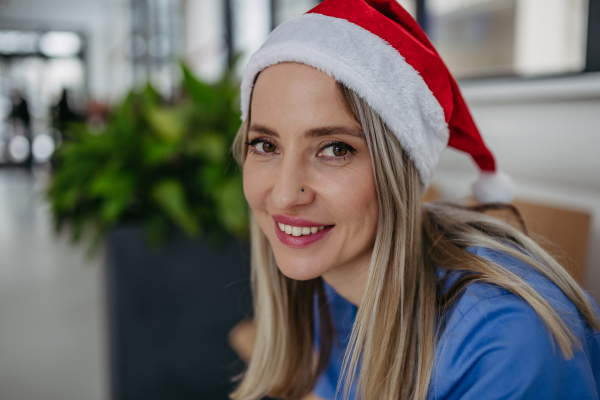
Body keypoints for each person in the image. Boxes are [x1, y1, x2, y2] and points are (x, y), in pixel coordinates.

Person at [229, 0, 600, 399]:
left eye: (335, 149)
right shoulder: (330, 278)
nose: (284, 195)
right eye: (265, 144)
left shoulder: (504, 341)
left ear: (399, 172)